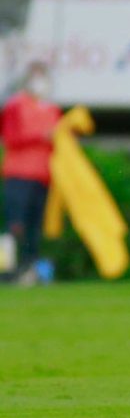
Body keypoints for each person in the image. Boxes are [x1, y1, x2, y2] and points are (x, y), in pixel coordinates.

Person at [1, 61, 61, 284]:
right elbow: (11, 138)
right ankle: (7, 272)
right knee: (15, 226)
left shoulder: (51, 109)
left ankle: (29, 271)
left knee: (35, 229)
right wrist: (40, 136)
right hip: (18, 175)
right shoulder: (16, 105)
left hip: (42, 176)